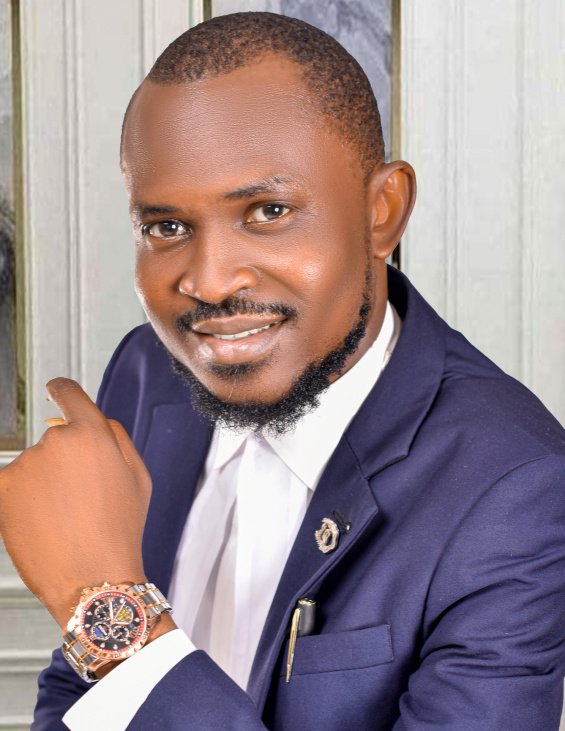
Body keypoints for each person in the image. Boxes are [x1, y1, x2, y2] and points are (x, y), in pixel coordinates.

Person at [0, 11, 563, 730]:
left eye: (267, 211)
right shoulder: (147, 373)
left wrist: (115, 615)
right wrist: (101, 625)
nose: (208, 282)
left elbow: (106, 640)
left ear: (382, 211)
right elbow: (80, 686)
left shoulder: (515, 487)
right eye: (166, 227)